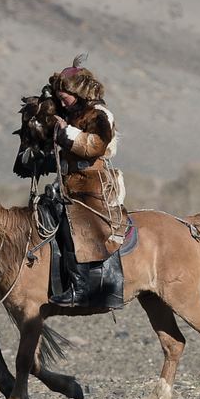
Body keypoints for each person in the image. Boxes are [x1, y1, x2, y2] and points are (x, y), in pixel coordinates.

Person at [45, 60, 127, 256]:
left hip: (92, 187)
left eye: (64, 98)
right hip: (67, 185)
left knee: (87, 242)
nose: (62, 103)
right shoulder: (72, 116)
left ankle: (95, 282)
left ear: (78, 93)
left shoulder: (99, 114)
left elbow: (96, 145)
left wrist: (68, 133)